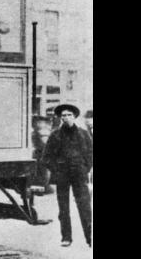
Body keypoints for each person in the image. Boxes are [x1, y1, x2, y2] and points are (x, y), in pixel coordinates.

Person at [41, 104, 93, 248]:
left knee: (85, 207)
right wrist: (57, 170)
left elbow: (90, 153)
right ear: (60, 117)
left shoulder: (83, 133)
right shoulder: (55, 135)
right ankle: (66, 237)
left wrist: (84, 168)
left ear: (74, 116)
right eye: (63, 115)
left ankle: (90, 238)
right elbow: (46, 158)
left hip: (79, 174)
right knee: (63, 208)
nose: (66, 117)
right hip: (62, 175)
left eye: (69, 114)